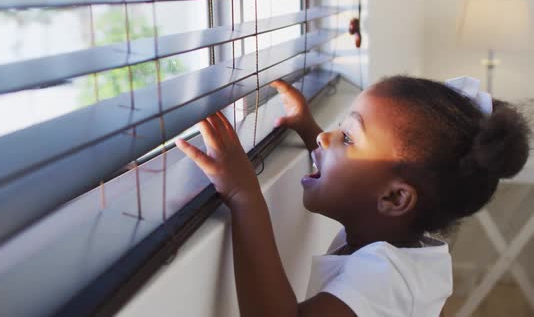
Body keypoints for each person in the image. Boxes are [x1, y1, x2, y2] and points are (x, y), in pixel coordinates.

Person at [175, 75, 530, 317]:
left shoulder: (387, 280)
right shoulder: (388, 232)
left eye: (347, 136)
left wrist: (243, 195)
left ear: (394, 200)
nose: (324, 138)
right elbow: (359, 178)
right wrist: (307, 126)